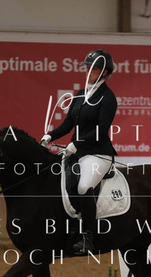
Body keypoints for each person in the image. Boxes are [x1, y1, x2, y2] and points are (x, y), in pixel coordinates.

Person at [40, 49, 118, 254]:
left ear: (104, 72)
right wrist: (49, 136)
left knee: (84, 186)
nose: (87, 71)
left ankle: (88, 238)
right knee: (60, 179)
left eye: (93, 69)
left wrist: (77, 143)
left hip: (98, 153)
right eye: (87, 67)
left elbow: (101, 130)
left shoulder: (108, 98)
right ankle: (69, 229)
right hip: (78, 151)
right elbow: (68, 124)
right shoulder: (81, 94)